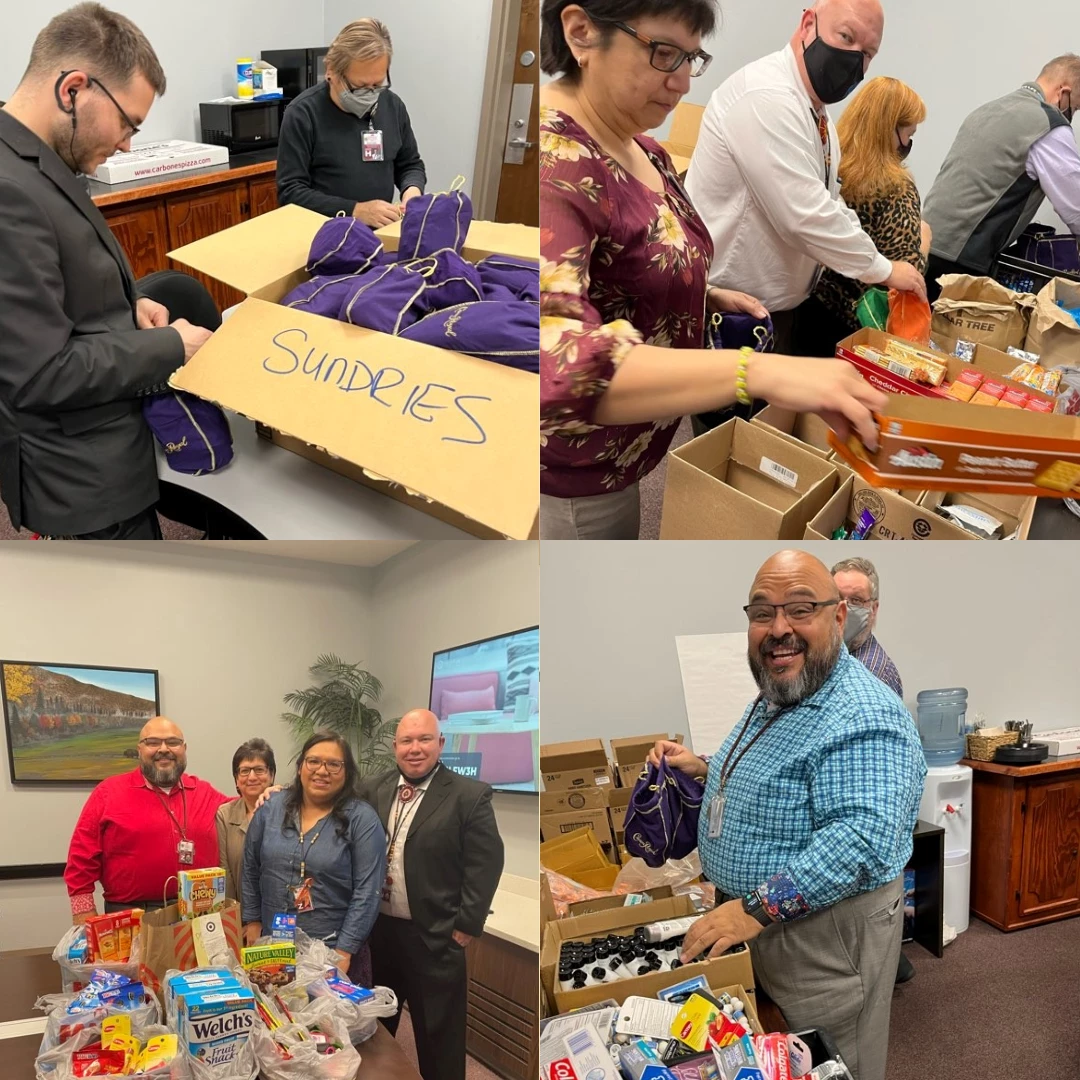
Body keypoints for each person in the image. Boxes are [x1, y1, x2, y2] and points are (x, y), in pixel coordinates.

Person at [539, 0, 888, 540]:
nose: (681, 82)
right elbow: (559, 363)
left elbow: (625, 265)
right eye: (663, 53)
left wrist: (702, 295)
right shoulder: (557, 162)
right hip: (584, 465)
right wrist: (763, 371)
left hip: (631, 448)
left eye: (692, 58)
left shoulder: (644, 149)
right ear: (582, 32)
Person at [648, 550, 925, 1080]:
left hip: (820, 934)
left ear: (838, 617)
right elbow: (779, 772)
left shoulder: (864, 712)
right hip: (765, 919)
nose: (779, 629)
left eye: (800, 609)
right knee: (776, 1055)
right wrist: (705, 769)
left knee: (830, 1059)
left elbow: (862, 839)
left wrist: (752, 910)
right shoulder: (784, 686)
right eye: (761, 612)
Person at [0, 3, 216, 539]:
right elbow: (39, 372)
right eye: (127, 123)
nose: (126, 143)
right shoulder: (7, 189)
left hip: (107, 449)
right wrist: (171, 346)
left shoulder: (42, 158)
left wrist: (128, 304)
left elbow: (61, 288)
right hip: (82, 487)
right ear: (73, 88)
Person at [684, 0, 928, 360]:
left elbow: (831, 202)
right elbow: (804, 214)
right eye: (846, 37)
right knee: (718, 412)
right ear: (808, 23)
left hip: (774, 311)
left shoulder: (817, 115)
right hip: (730, 309)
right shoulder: (768, 96)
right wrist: (885, 269)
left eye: (868, 53)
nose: (854, 59)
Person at [357, 709, 504, 1080]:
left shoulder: (468, 795)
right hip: (379, 935)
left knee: (439, 1041)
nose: (415, 748)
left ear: (440, 744)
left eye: (424, 739)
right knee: (373, 1031)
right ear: (395, 747)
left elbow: (485, 863)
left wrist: (465, 926)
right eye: (407, 741)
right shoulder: (373, 788)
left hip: (435, 937)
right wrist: (278, 794)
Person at [922, 55, 1080, 302]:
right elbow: (1077, 208)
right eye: (1076, 107)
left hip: (923, 241)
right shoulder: (1049, 124)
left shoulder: (988, 109)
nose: (1072, 115)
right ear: (1063, 92)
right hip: (961, 260)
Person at [242, 732, 385, 988]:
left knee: (323, 1025)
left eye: (333, 764)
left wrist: (345, 949)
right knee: (275, 1018)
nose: (322, 771)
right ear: (300, 767)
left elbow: (368, 891)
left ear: (347, 772)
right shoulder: (271, 808)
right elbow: (250, 867)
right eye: (313, 761)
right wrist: (252, 920)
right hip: (270, 944)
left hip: (329, 948)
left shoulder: (362, 819)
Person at [801, 77, 931, 357]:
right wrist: (925, 240)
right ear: (890, 131)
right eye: (909, 133)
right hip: (854, 330)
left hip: (809, 310)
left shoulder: (830, 164)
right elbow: (905, 274)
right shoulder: (898, 189)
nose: (908, 143)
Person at [65, 717, 231, 921]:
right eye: (153, 743)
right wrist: (83, 912)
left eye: (173, 742)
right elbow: (81, 856)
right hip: (132, 917)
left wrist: (269, 794)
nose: (163, 749)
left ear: (184, 748)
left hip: (200, 912)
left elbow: (244, 808)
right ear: (139, 749)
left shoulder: (204, 791)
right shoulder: (108, 793)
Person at [276, 18, 426, 228]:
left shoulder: (393, 106)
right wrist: (354, 210)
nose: (370, 93)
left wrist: (412, 191)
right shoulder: (302, 114)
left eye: (378, 84)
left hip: (380, 232)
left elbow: (410, 164)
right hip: (324, 237)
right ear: (331, 71)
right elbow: (290, 192)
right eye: (360, 86)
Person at [215, 738, 277, 904]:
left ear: (271, 775)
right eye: (244, 771)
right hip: (240, 914)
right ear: (236, 778)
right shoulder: (225, 814)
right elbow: (225, 872)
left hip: (281, 914)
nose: (251, 777)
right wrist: (233, 917)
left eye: (259, 770)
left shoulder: (286, 810)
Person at [832, 555, 903, 699]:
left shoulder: (874, 674)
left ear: (874, 609)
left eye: (856, 600)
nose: (844, 608)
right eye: (837, 598)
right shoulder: (833, 656)